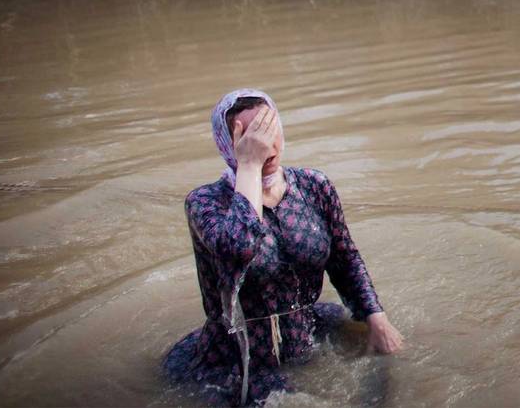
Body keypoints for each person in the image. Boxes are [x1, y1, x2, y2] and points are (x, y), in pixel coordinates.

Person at [163, 89, 404, 406]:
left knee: (392, 367)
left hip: (307, 330)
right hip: (240, 357)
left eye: (269, 128)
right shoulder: (205, 203)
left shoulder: (314, 186)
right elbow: (239, 247)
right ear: (227, 142)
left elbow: (344, 259)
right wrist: (248, 165)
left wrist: (376, 316)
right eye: (250, 136)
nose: (266, 145)